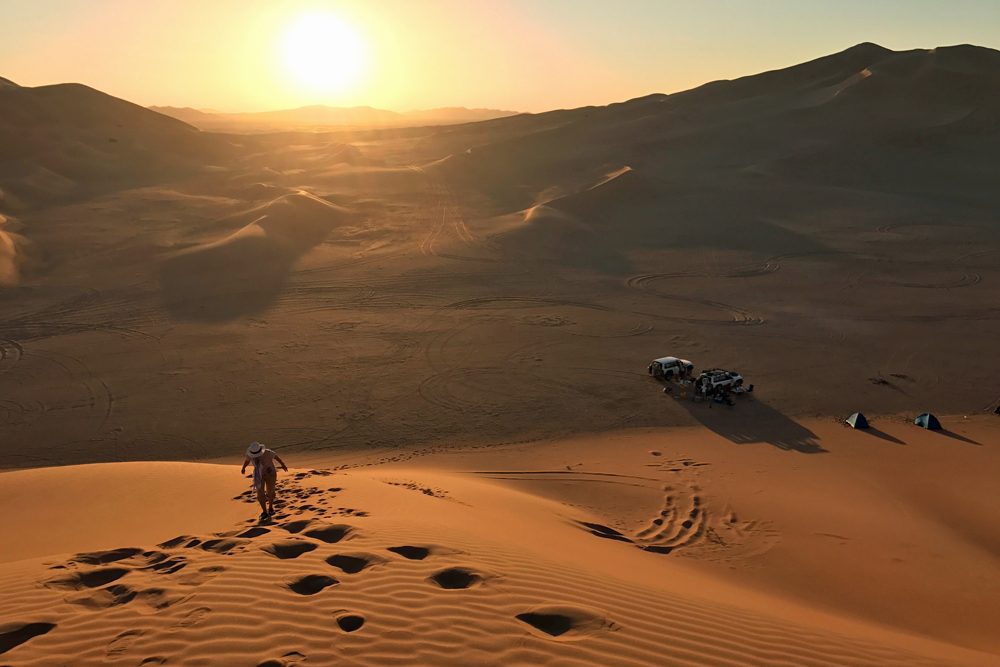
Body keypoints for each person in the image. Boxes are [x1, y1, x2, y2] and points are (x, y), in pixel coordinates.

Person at [241, 442, 288, 519]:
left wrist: (283, 464)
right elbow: (247, 461)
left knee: (270, 491)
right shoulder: (250, 454)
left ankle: (270, 508)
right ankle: (264, 512)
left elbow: (276, 457)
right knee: (260, 493)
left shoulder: (268, 452)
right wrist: (243, 468)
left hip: (270, 474)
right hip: (258, 475)